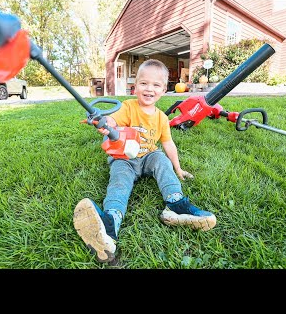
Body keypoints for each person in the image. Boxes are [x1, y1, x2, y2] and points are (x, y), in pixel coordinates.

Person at [73, 59, 216, 263]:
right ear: (135, 87)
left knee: (161, 158)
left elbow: (168, 145)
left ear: (164, 89)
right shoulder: (128, 107)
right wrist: (106, 124)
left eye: (156, 85)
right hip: (124, 159)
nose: (149, 89)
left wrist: (179, 168)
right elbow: (113, 121)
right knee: (119, 181)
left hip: (148, 157)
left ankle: (175, 204)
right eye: (144, 84)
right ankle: (110, 224)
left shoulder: (161, 118)